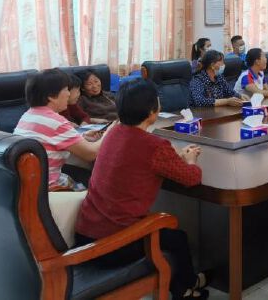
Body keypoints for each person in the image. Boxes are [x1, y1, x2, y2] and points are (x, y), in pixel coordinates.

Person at [75, 79, 208, 299]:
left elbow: (137, 158)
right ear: (152, 111)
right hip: (113, 244)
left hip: (84, 236)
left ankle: (186, 285)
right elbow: (192, 178)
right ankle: (187, 287)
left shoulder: (113, 133)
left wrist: (174, 156)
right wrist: (191, 160)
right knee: (177, 238)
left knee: (167, 235)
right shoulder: (155, 146)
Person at [14, 69, 105, 190]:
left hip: (27, 185)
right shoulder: (56, 122)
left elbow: (50, 142)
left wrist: (83, 137)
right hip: (49, 188)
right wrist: (109, 133)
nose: (68, 94)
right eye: (66, 89)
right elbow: (91, 154)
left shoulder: (28, 115)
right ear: (51, 96)